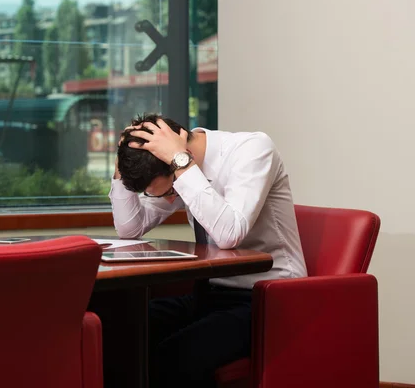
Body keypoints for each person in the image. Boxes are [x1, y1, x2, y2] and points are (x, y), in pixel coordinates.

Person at [109, 113, 307, 388]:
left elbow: (229, 234)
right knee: (123, 330)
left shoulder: (253, 150)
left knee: (175, 356)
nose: (160, 199)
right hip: (209, 295)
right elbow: (130, 228)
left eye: (158, 192)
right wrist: (121, 167)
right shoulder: (174, 168)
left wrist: (181, 163)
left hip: (268, 298)